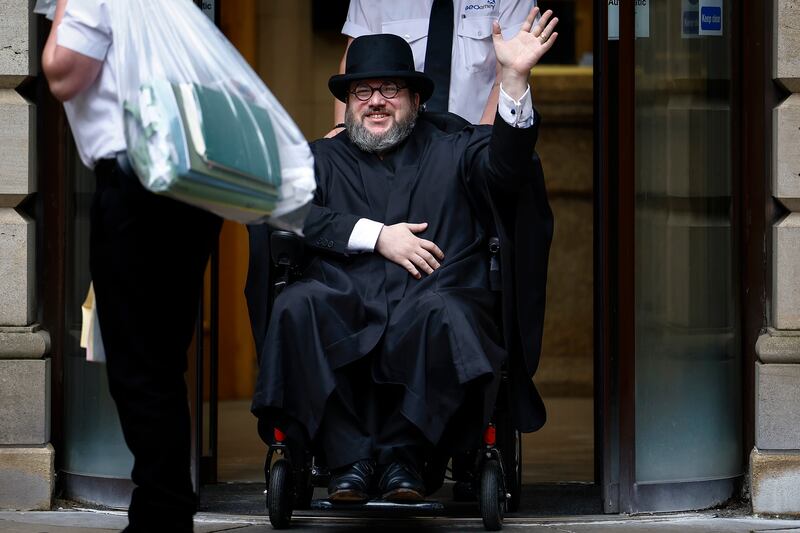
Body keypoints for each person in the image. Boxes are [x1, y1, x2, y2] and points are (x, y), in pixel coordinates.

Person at [247, 8, 557, 502]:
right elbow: (284, 209)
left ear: (415, 98)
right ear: (347, 103)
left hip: (431, 293)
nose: (375, 103)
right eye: (361, 92)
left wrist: (514, 81)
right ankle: (349, 462)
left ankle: (407, 459)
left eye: (390, 90)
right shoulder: (322, 158)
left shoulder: (453, 145)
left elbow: (507, 169)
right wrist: (376, 235)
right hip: (343, 294)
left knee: (448, 315)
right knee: (296, 307)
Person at [42, 1, 222, 531]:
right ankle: (165, 509)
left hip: (139, 180)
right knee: (161, 361)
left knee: (138, 365)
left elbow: (63, 72)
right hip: (190, 177)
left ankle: (161, 515)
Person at [327, 0, 538, 138]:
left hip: (477, 138)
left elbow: (509, 73)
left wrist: (480, 148)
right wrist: (342, 133)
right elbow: (355, 65)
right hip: (393, 153)